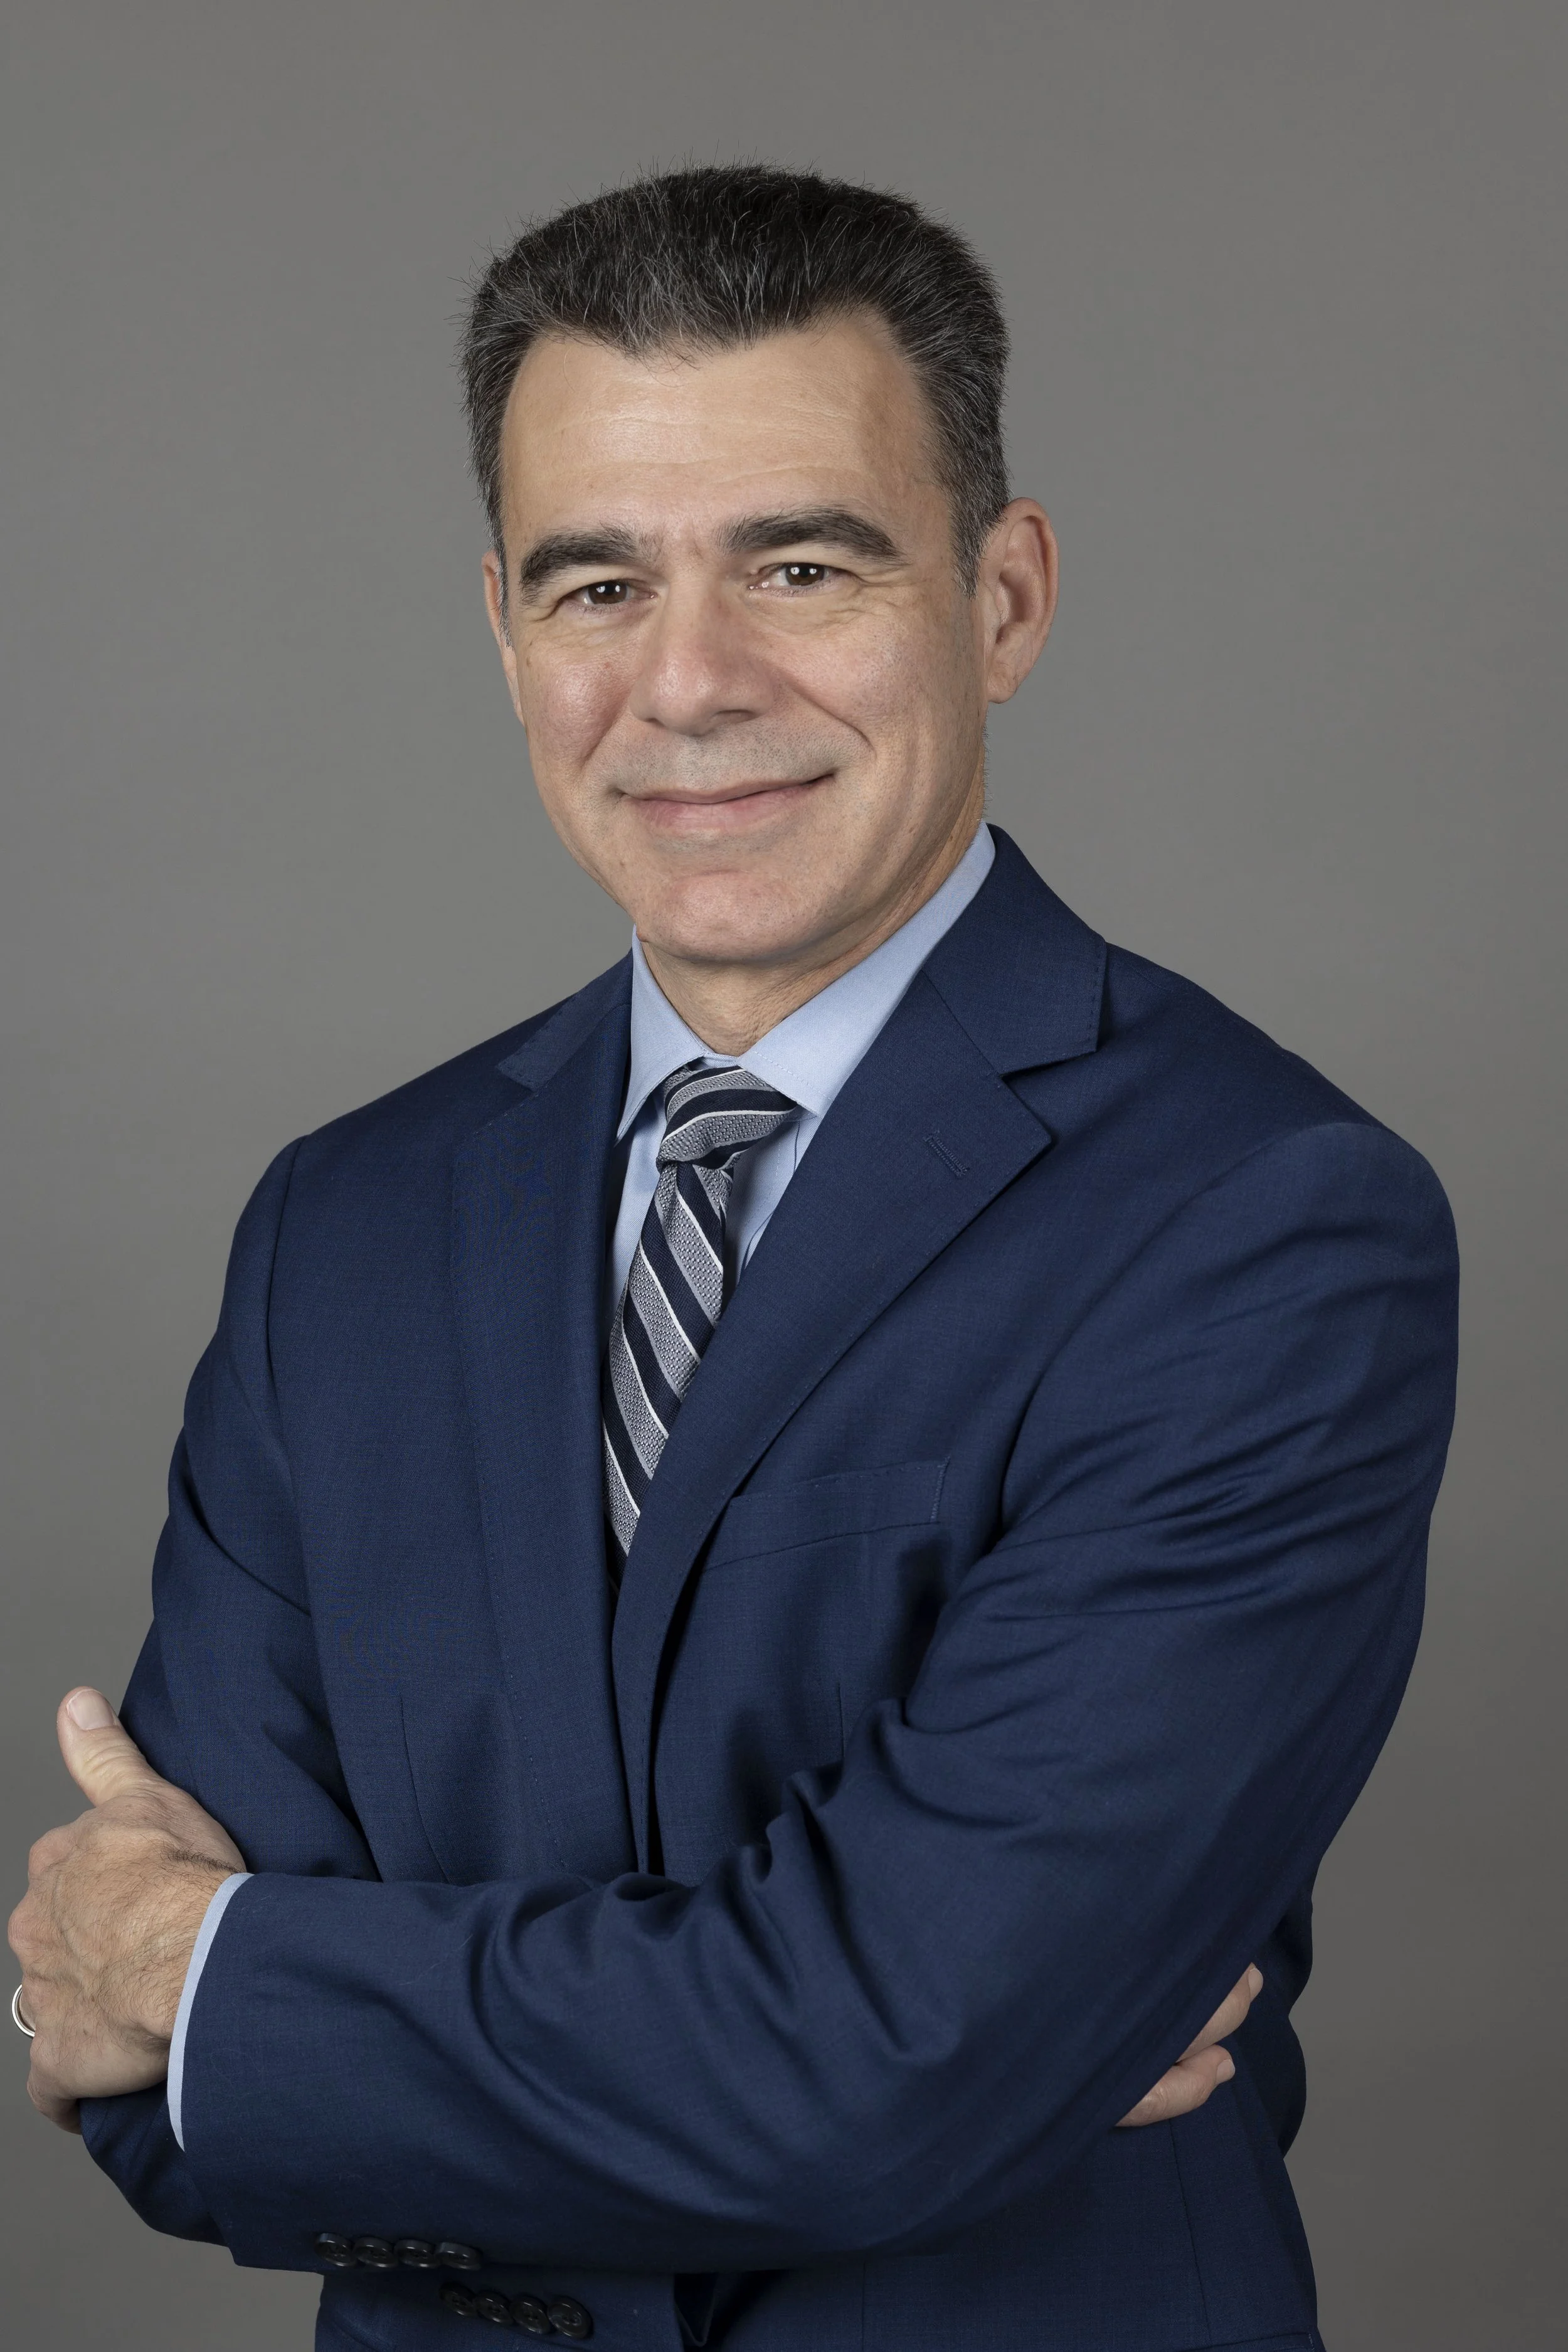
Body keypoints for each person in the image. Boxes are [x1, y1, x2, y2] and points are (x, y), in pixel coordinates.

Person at [9, 166, 1457, 2352]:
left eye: (799, 564)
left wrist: (228, 1981)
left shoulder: (1258, 1221)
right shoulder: (345, 1226)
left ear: (999, 597)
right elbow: (141, 2092)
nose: (687, 683)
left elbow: (875, 2064)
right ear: (503, 627)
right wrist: (850, 2054)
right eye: (598, 583)